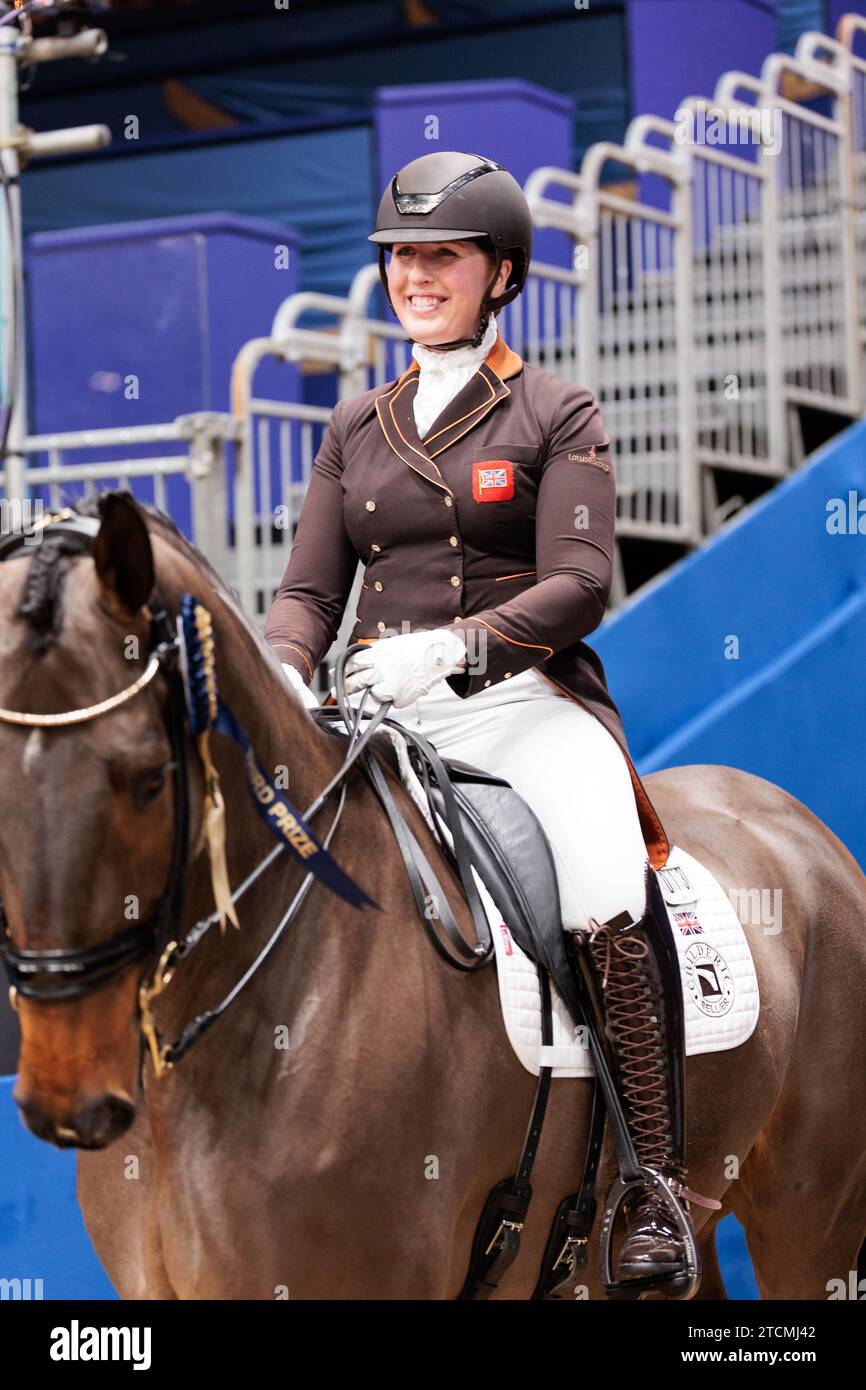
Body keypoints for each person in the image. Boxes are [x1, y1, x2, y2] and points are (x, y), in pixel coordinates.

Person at [264, 151, 712, 1283]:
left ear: (498, 273)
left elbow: (575, 583)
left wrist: (457, 649)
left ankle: (651, 1184)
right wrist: (283, 672)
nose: (415, 277)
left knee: (608, 876)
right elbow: (311, 591)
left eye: (441, 258)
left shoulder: (556, 411)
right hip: (373, 709)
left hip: (516, 702)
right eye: (401, 259)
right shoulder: (353, 424)